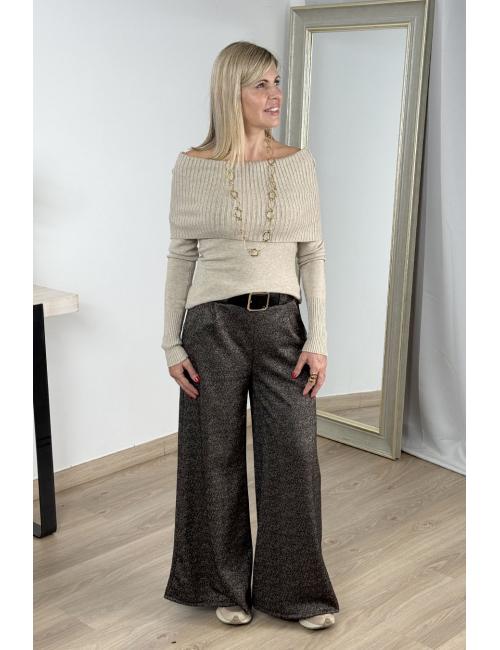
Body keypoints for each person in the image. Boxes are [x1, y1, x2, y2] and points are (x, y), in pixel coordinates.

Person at [161, 41, 340, 631]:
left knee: (294, 458)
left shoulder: (298, 163)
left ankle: (298, 593)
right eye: (260, 84)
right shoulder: (192, 165)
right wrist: (171, 343)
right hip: (211, 327)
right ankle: (224, 584)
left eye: (277, 81)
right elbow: (181, 255)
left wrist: (318, 337)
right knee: (211, 457)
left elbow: (312, 254)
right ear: (230, 91)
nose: (275, 94)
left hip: (282, 325)